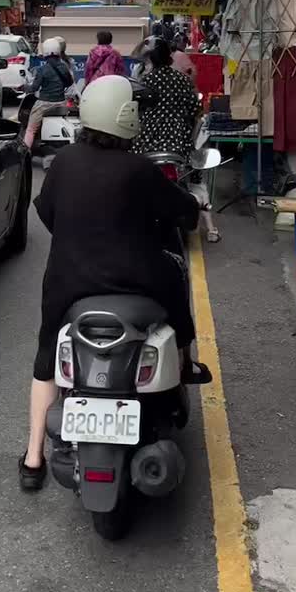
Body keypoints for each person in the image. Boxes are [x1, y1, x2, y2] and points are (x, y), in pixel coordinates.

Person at [19, 74, 210, 490]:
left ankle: (34, 458)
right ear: (126, 117)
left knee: (46, 358)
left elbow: (47, 214)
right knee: (175, 280)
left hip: (68, 283)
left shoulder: (64, 162)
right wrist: (192, 203)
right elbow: (183, 212)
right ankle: (185, 358)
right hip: (137, 281)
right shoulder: (139, 170)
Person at [132, 38, 199, 159]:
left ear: (151, 59)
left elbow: (136, 111)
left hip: (148, 142)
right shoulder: (183, 79)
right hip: (179, 142)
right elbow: (195, 109)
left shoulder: (146, 82)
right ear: (169, 56)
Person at [23, 39, 73, 150]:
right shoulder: (64, 67)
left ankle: (24, 152)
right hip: (61, 103)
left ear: (45, 52)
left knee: (31, 129)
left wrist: (24, 87)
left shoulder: (42, 69)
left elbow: (34, 88)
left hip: (44, 103)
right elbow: (69, 83)